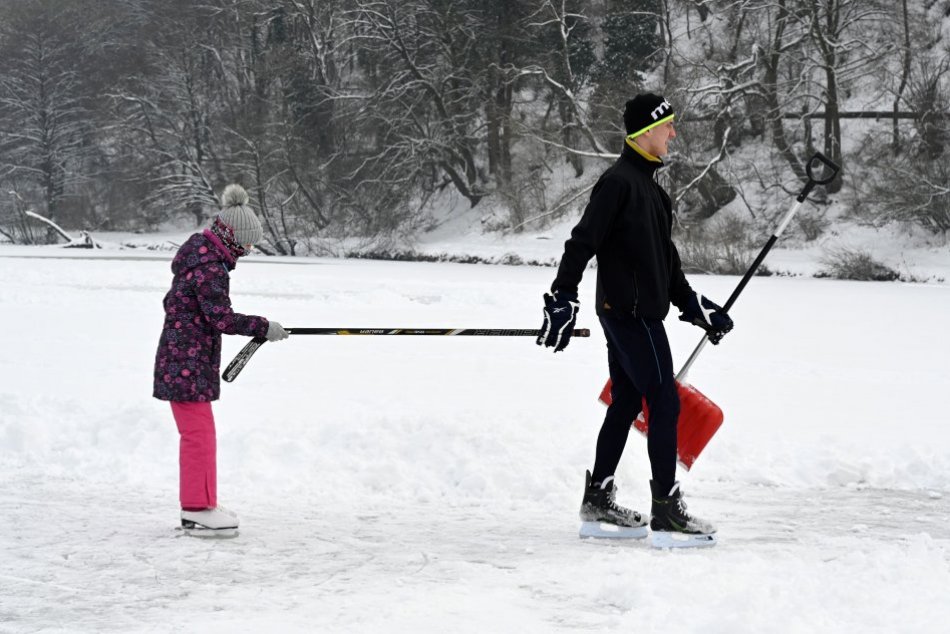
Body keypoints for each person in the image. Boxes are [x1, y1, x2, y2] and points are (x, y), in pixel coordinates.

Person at [537, 94, 734, 548]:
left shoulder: (654, 193)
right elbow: (581, 243)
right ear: (645, 131)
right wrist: (563, 296)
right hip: (631, 316)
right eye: (667, 125)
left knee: (627, 401)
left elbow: (667, 268)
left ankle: (598, 500)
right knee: (663, 401)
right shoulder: (618, 184)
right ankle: (666, 510)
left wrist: (698, 308)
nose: (673, 133)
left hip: (635, 314)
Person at [153, 184, 289, 535]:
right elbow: (221, 318)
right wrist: (263, 327)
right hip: (186, 365)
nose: (248, 250)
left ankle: (204, 503)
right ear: (232, 238)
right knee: (199, 437)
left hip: (188, 362)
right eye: (247, 244)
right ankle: (197, 509)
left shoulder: (199, 258)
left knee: (202, 434)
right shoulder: (209, 268)